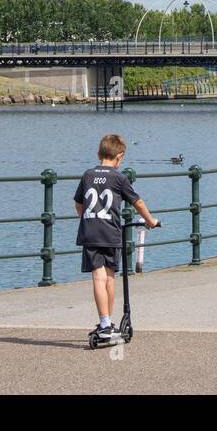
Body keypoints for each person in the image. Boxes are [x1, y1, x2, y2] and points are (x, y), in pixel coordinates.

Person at [73, 134, 159, 342]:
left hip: (91, 231)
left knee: (98, 277)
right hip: (111, 232)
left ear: (99, 154)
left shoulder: (88, 175)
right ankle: (107, 323)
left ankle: (105, 323)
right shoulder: (119, 178)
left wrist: (86, 219)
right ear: (119, 156)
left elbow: (78, 203)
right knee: (109, 278)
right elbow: (137, 202)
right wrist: (150, 220)